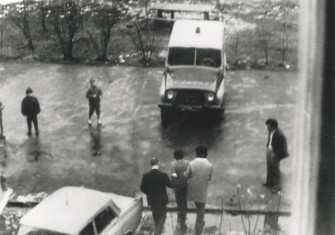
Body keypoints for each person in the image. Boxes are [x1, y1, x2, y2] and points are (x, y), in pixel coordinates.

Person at [184, 146, 213, 235]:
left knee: (191, 205)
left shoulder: (191, 163)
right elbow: (209, 178)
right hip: (202, 189)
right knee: (201, 208)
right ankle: (198, 228)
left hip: (192, 189)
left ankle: (182, 223)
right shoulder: (209, 165)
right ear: (206, 154)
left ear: (196, 153)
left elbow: (186, 175)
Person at [141, 157, 173, 235]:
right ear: (158, 164)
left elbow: (142, 188)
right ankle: (158, 231)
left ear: (151, 164)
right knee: (163, 215)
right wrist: (174, 177)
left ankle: (157, 229)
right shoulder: (163, 175)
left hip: (152, 200)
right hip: (162, 199)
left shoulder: (146, 175)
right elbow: (171, 185)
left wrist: (149, 193)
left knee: (155, 216)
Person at [263, 118, 289, 193]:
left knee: (276, 170)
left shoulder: (280, 135)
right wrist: (268, 147)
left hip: (275, 153)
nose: (267, 128)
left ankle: (277, 187)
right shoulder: (271, 131)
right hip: (270, 150)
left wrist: (276, 155)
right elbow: (270, 139)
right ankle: (270, 182)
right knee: (269, 167)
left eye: (268, 126)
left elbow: (283, 148)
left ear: (273, 126)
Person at [170, 149, 189, 231]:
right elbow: (189, 174)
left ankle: (180, 213)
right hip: (185, 184)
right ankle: (184, 214)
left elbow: (173, 175)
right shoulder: (187, 163)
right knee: (184, 199)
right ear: (182, 155)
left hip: (177, 184)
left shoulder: (173, 164)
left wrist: (174, 184)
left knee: (178, 199)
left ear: (174, 156)